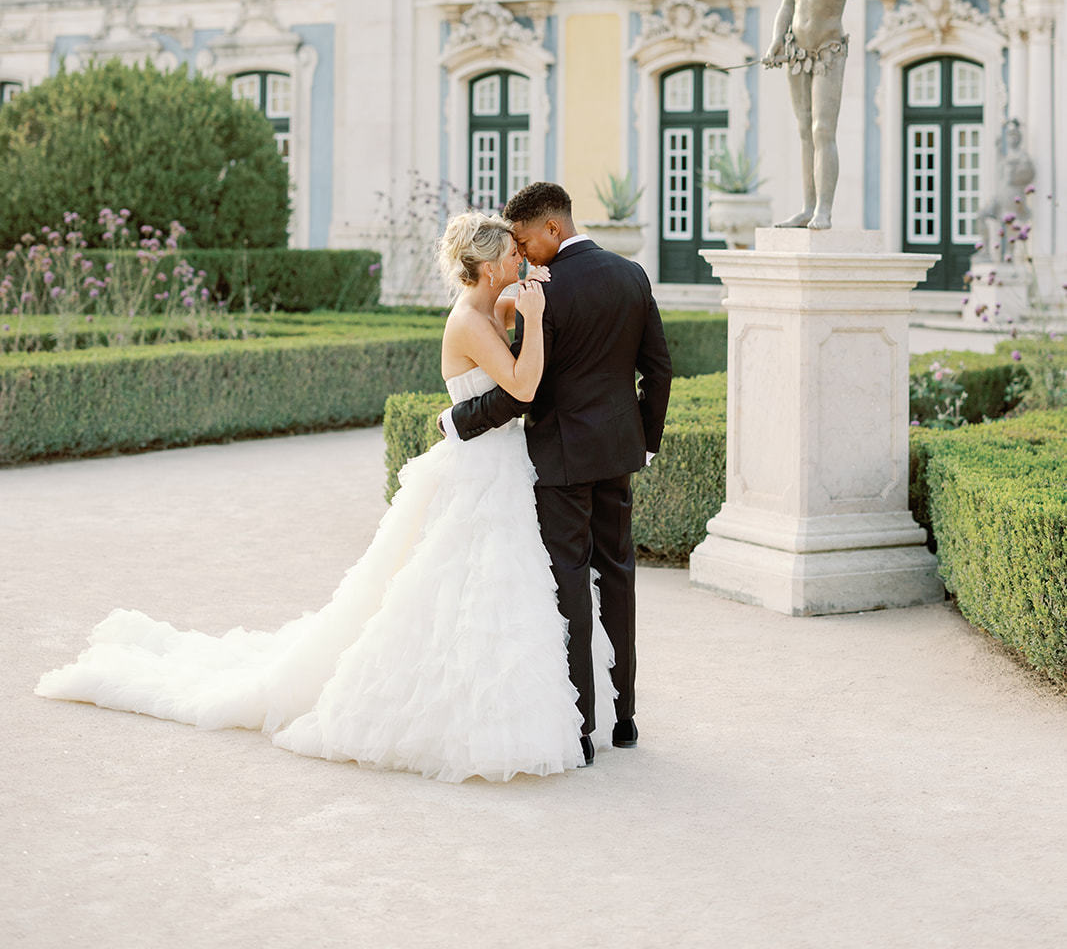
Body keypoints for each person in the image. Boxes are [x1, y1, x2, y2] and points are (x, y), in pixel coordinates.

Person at [36, 211, 614, 782]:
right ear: (488, 267)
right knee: (466, 590)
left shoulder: (494, 303)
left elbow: (527, 328)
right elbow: (522, 385)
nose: (523, 259)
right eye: (513, 254)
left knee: (509, 589)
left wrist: (538, 304)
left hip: (504, 466)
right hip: (482, 471)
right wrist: (535, 321)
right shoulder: (468, 320)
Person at [442, 182, 673, 763]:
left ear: (552, 229)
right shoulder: (632, 276)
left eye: (523, 240)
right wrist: (644, 442)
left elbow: (525, 390)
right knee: (618, 577)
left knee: (569, 582)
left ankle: (580, 728)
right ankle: (625, 718)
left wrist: (458, 421)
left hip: (560, 461)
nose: (521, 254)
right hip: (618, 455)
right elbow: (659, 370)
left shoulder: (543, 291)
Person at [762, 0, 881, 230]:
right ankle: (807, 205)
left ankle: (824, 210)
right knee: (802, 130)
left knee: (821, 129)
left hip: (829, 46)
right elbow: (788, 3)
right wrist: (776, 40)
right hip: (798, 51)